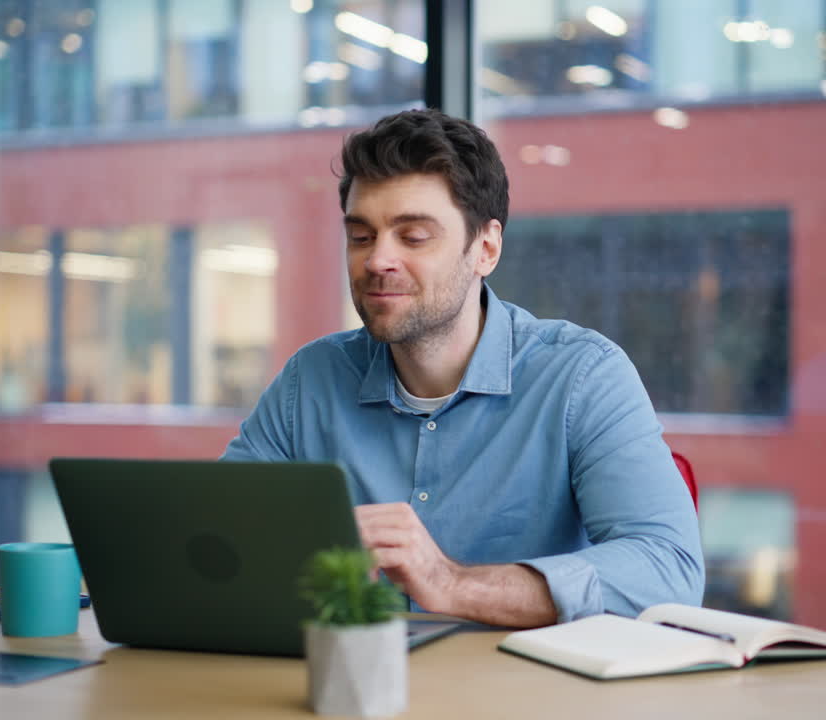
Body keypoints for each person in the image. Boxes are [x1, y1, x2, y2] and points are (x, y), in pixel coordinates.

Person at [221, 108, 703, 627]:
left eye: (413, 236)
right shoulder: (310, 380)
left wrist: (450, 583)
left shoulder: (582, 377)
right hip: (352, 692)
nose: (377, 260)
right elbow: (216, 540)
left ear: (486, 248)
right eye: (361, 236)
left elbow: (667, 569)